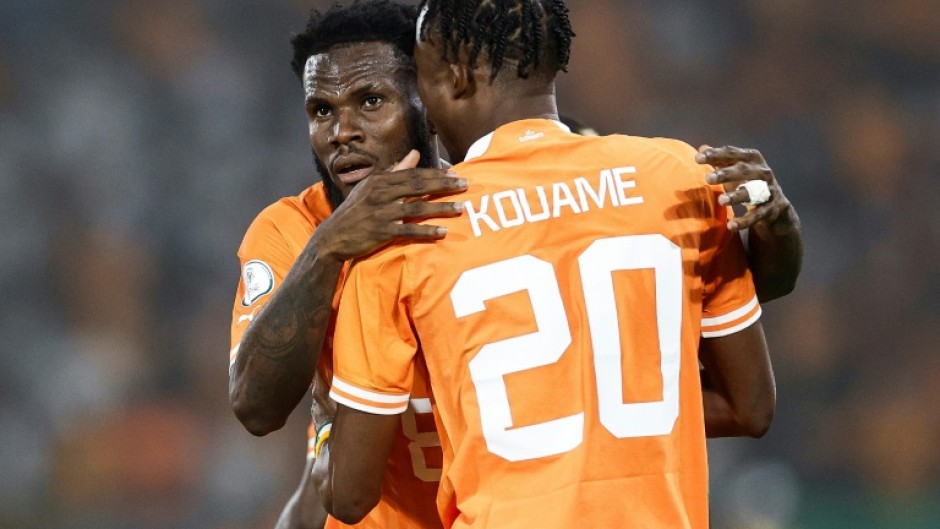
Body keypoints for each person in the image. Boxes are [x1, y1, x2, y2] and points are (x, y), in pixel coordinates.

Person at [315, 1, 777, 528]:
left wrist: (324, 409)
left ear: (458, 77)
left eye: (421, 80)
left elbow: (348, 496)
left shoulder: (404, 232)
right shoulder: (680, 178)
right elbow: (751, 407)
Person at [228, 3, 461, 528]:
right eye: (322, 111)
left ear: (426, 99)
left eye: (371, 101)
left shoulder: (485, 203)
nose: (342, 132)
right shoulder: (291, 230)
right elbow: (255, 407)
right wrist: (327, 248)